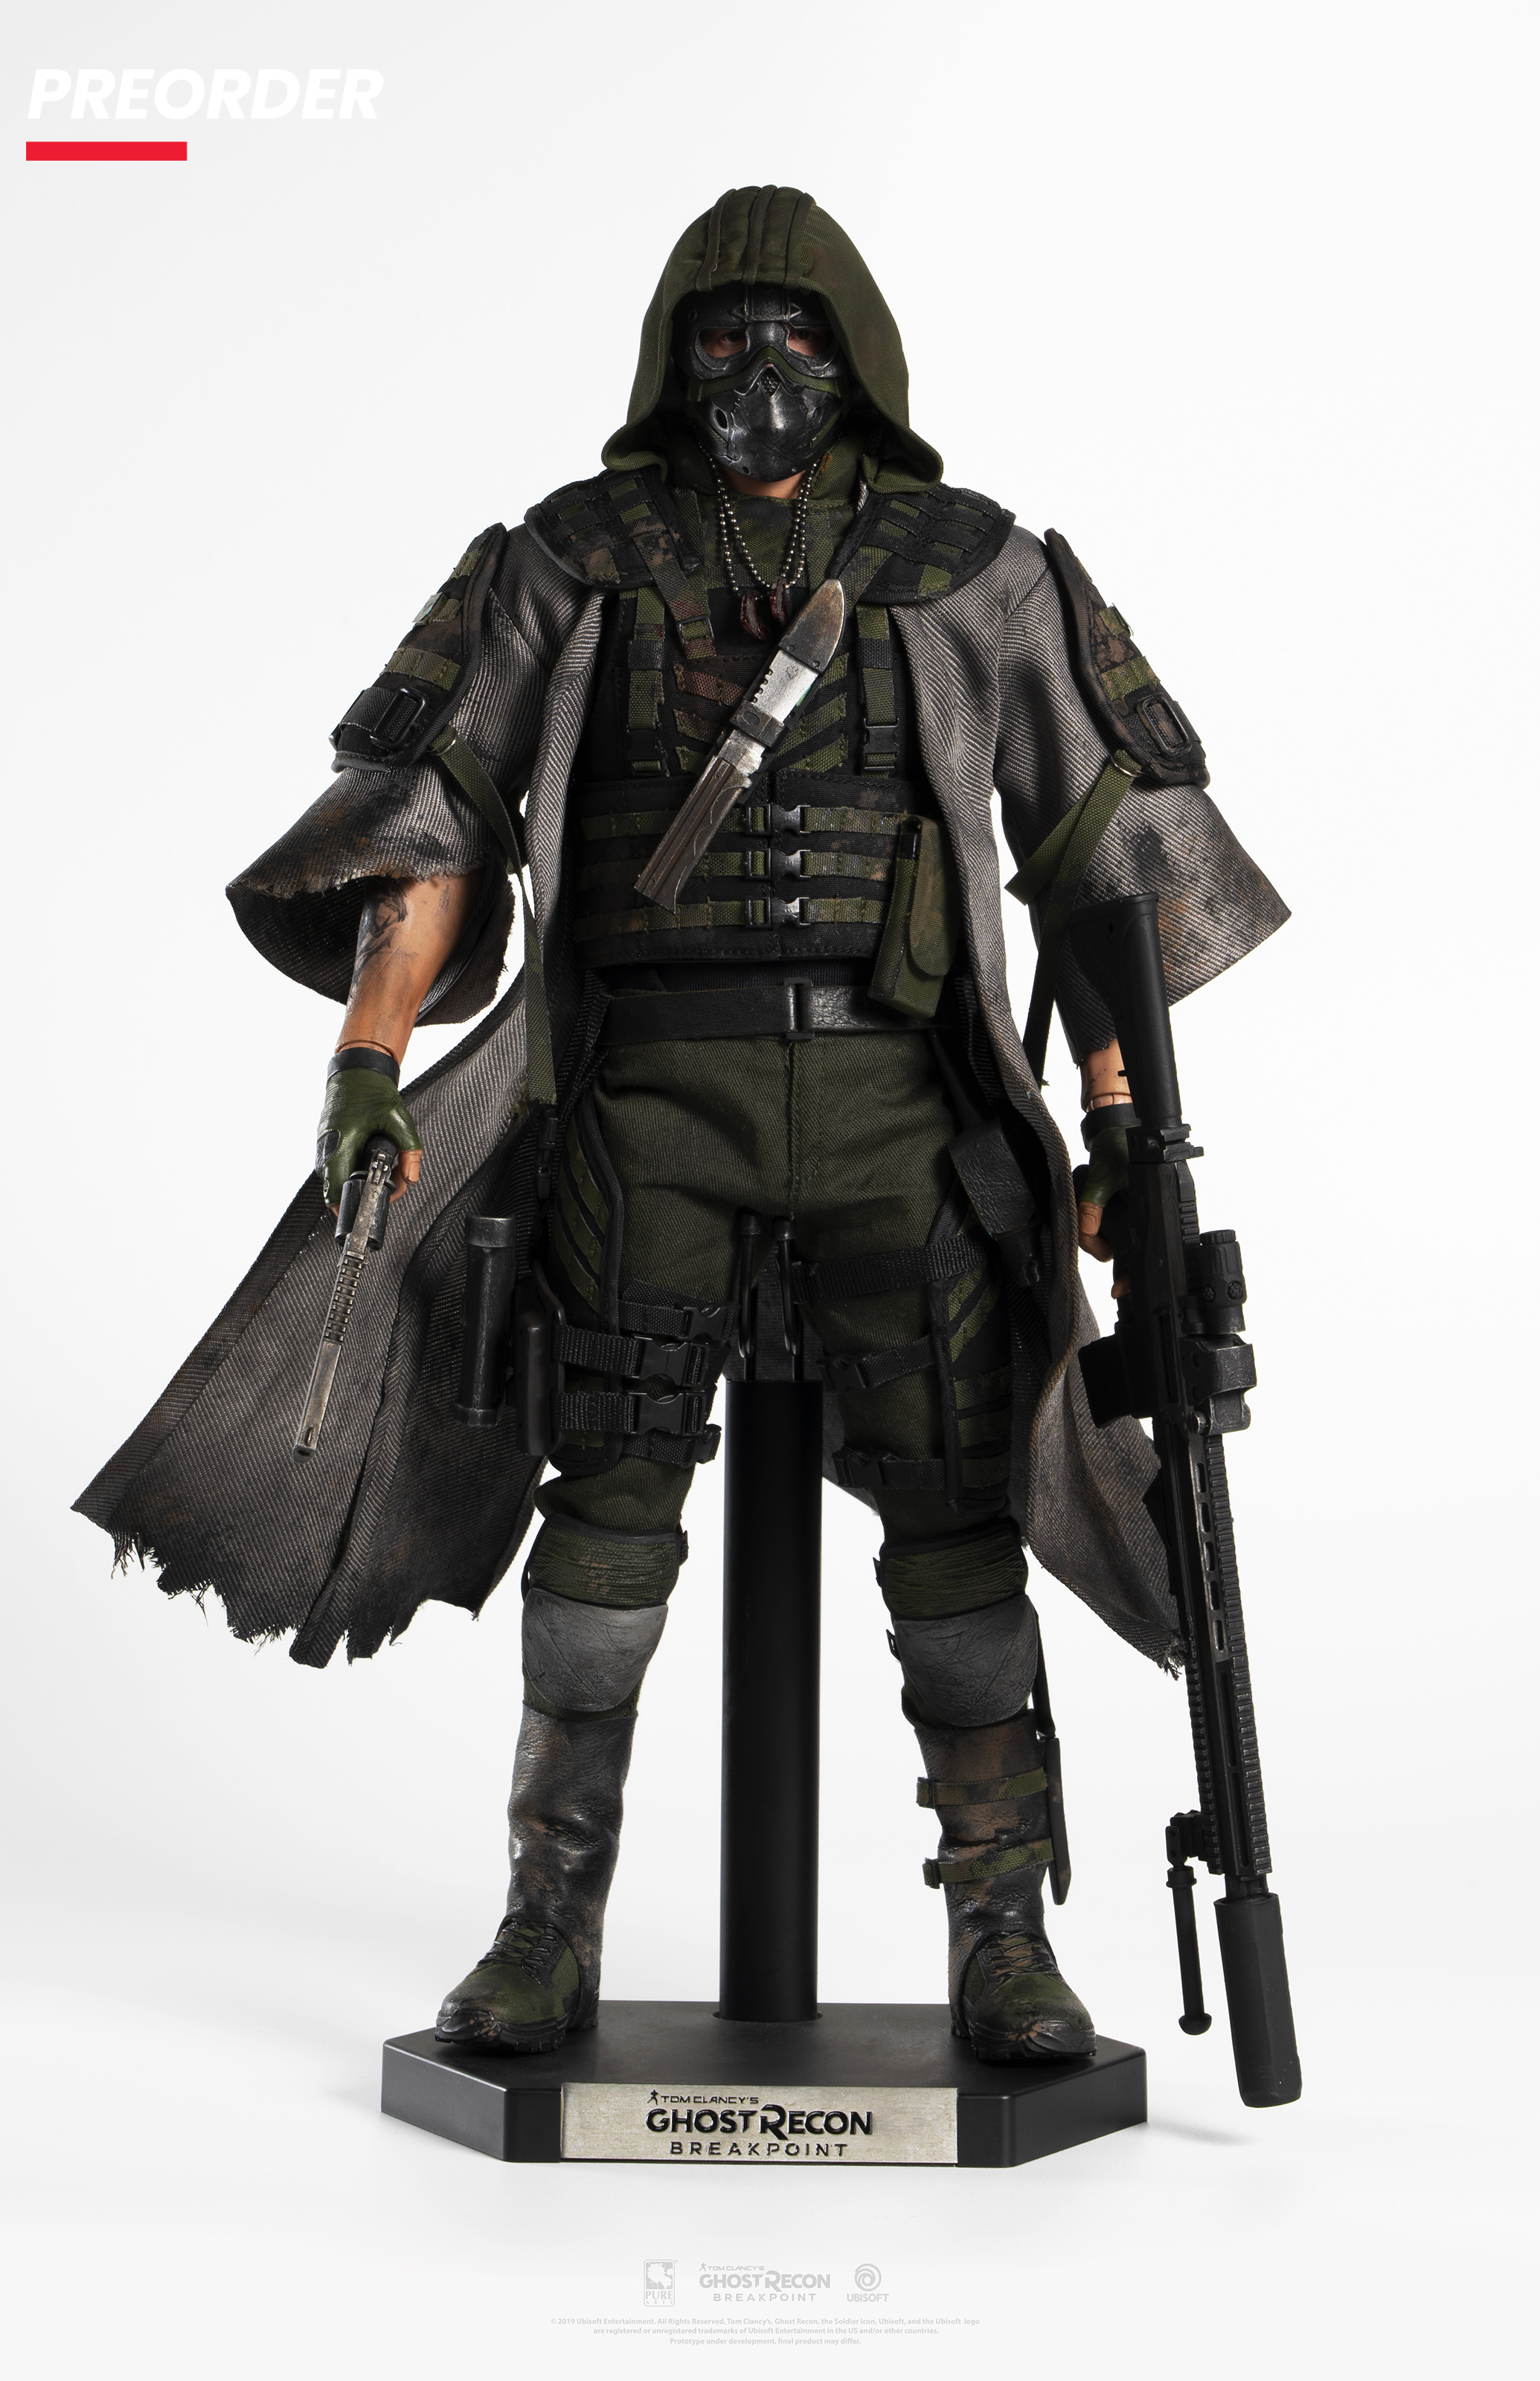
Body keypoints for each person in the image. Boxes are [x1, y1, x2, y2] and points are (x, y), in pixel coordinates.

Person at [77, 186, 1286, 2066]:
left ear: (860, 357)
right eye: (725, 335)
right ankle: (545, 1922)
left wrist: (1122, 1123)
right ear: (669, 357)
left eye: (797, 333)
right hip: (642, 1109)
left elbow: (1107, 865)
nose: (761, 367)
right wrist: (366, 1062)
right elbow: (429, 821)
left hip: (906, 1114)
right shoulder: (566, 559)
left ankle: (1001, 1936)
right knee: (607, 1516)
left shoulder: (976, 567)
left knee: (956, 1517)